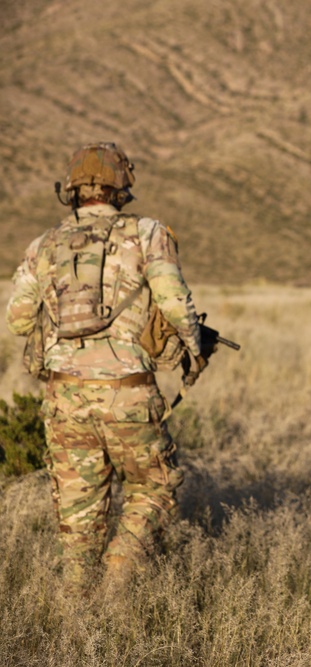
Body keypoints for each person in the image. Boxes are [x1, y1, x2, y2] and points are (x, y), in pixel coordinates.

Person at [5, 142, 205, 592]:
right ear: (122, 186)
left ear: (71, 188)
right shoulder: (148, 233)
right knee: (155, 488)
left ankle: (77, 624)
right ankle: (119, 574)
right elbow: (174, 302)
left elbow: (17, 319)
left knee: (77, 525)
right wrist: (193, 345)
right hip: (129, 395)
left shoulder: (44, 244)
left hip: (65, 399)